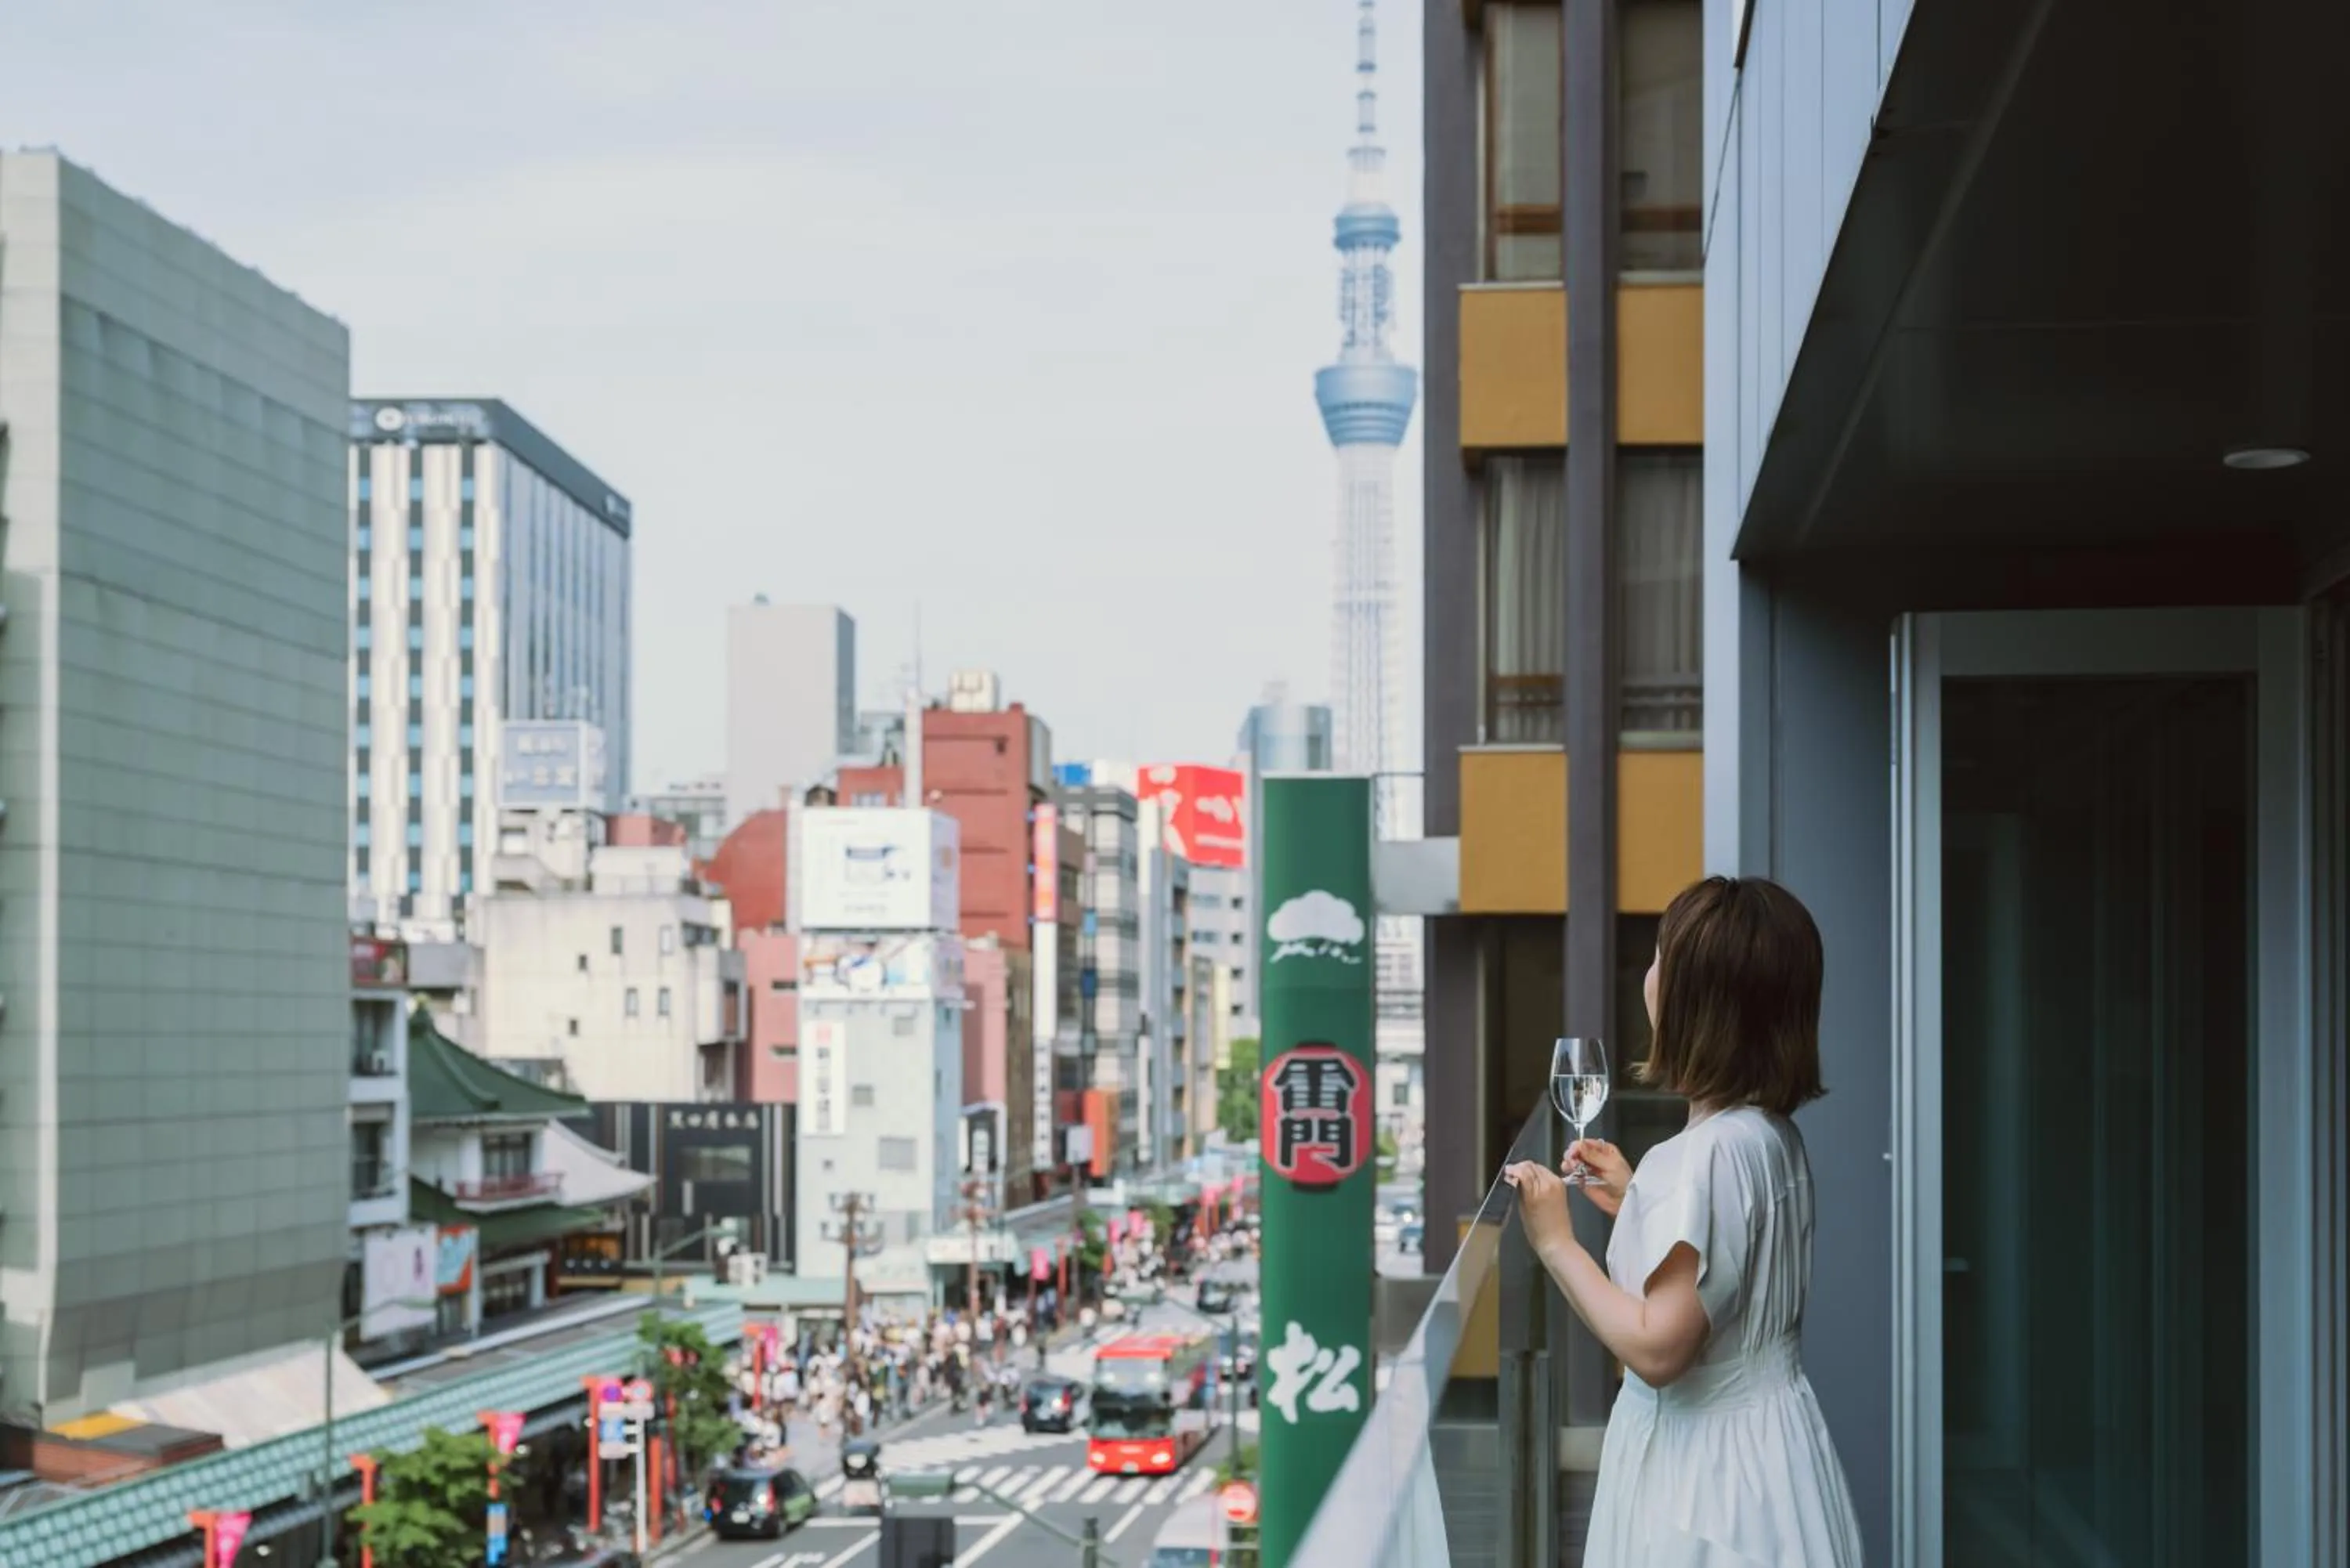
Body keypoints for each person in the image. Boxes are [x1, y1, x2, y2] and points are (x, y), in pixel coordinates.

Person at [1506, 876, 1864, 1567]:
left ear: (1691, 999)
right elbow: (1734, 1271)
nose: (1648, 975)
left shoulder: (1699, 1157)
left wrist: (1557, 1243)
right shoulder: (1768, 1134)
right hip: (1775, 1457)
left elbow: (1658, 1349)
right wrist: (1645, 1200)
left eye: (1659, 957)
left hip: (1703, 1484)